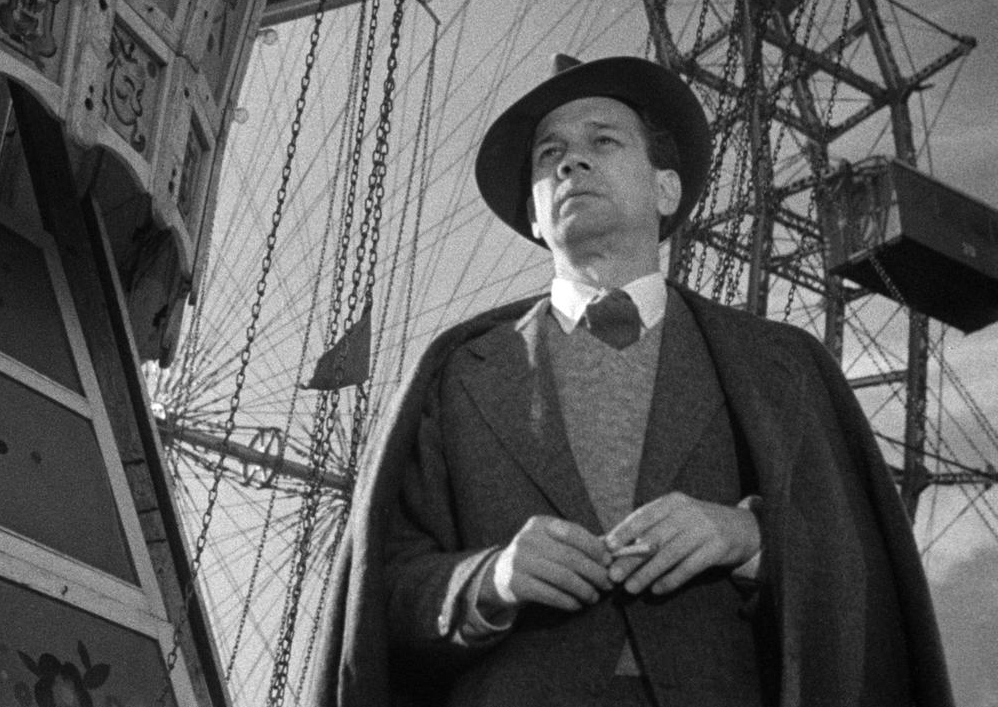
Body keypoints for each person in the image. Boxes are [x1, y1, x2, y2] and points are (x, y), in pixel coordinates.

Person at [306, 55, 954, 707]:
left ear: (666, 190)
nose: (570, 161)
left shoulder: (783, 364)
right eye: (548, 153)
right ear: (533, 215)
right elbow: (377, 593)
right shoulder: (452, 376)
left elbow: (862, 571)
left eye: (603, 140)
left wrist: (748, 536)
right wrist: (491, 578)